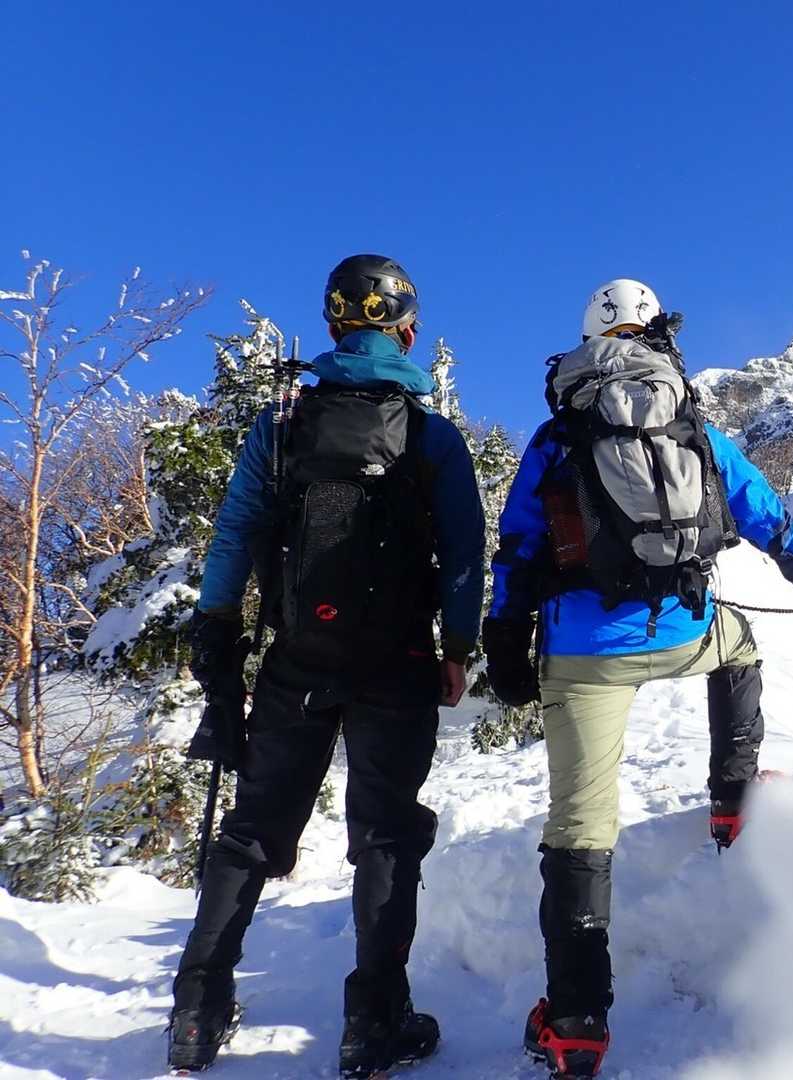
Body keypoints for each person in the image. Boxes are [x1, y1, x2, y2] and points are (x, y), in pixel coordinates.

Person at [483, 279, 793, 1078]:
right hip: (686, 629)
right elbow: (769, 520)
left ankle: (576, 1022)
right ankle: (731, 800)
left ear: (590, 341)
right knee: (741, 647)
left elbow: (518, 548)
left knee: (581, 827)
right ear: (658, 337)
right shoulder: (694, 426)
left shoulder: (558, 434)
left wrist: (505, 642)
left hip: (586, 654)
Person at [168, 254, 485, 1078]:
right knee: (385, 834)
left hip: (297, 657)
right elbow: (464, 556)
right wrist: (456, 647)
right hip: (398, 663)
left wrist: (216, 630)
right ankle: (373, 1022)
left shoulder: (281, 424)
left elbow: (235, 534)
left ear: (334, 323)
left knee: (252, 828)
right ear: (407, 331)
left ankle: (197, 1011)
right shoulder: (431, 435)